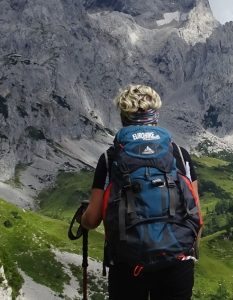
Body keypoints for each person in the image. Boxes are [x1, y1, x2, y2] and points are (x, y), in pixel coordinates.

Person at [80, 84, 200, 300]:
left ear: (123, 118)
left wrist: (82, 217)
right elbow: (196, 214)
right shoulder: (180, 155)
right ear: (156, 115)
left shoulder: (110, 158)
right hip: (177, 262)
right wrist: (190, 252)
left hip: (127, 264)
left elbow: (92, 220)